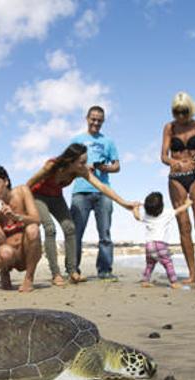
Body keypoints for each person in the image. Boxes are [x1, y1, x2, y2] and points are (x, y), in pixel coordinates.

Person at [27, 143, 141, 283]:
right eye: (82, 162)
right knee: (50, 228)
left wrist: (124, 203)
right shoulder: (51, 165)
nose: (85, 165)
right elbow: (29, 183)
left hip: (56, 197)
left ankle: (72, 271)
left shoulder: (80, 171)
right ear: (71, 160)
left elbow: (101, 186)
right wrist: (21, 203)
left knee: (70, 228)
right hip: (38, 196)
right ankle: (55, 274)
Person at [160, 91, 195, 284]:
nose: (180, 116)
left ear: (190, 110)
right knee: (184, 227)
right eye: (177, 112)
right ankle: (192, 274)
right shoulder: (169, 127)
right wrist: (173, 162)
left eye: (184, 111)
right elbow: (164, 156)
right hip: (176, 178)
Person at [69, 106, 121, 281]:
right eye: (93, 119)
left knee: (105, 234)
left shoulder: (108, 142)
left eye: (99, 120)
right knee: (75, 233)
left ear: (103, 121)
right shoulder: (76, 140)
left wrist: (102, 167)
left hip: (103, 191)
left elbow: (117, 166)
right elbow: (67, 165)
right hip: (80, 192)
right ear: (87, 118)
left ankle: (105, 271)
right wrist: (82, 168)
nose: (96, 123)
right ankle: (73, 270)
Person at [0, 164, 41, 293]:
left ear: (6, 181)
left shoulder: (22, 191)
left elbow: (37, 220)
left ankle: (29, 279)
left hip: (24, 250)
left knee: (33, 229)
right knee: (5, 252)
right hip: (6, 251)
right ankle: (4, 271)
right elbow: (1, 239)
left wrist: (15, 216)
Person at [139, 192, 193, 289]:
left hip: (149, 245)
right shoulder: (167, 213)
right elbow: (179, 210)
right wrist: (188, 204)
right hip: (160, 244)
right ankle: (174, 282)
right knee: (168, 263)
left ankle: (145, 280)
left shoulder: (146, 215)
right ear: (162, 206)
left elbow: (136, 216)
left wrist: (134, 208)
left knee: (150, 264)